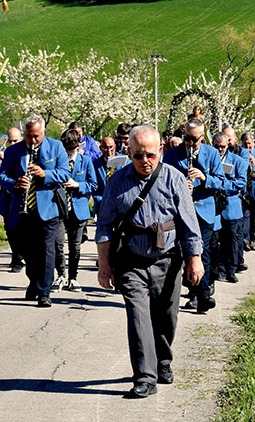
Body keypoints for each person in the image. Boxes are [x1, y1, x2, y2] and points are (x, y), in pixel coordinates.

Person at [96, 126, 204, 398]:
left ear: (161, 152)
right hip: (131, 261)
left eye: (151, 155)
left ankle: (163, 360)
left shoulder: (174, 179)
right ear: (129, 152)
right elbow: (105, 227)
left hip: (168, 261)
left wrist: (195, 258)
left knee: (167, 317)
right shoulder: (117, 182)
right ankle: (144, 377)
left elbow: (189, 224)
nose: (145, 161)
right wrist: (104, 265)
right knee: (138, 317)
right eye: (138, 155)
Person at [0, 114, 70, 307]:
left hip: (48, 210)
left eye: (36, 135)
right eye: (29, 135)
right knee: (29, 253)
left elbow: (65, 172)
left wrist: (45, 174)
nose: (33, 140)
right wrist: (14, 184)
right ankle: (34, 282)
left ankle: (44, 292)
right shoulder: (14, 151)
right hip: (23, 210)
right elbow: (1, 176)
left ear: (43, 132)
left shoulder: (56, 147)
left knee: (46, 251)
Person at [163, 119, 225, 314]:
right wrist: (181, 186)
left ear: (202, 135)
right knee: (184, 253)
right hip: (180, 212)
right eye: (187, 139)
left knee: (201, 252)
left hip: (204, 211)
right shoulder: (173, 154)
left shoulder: (212, 153)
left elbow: (221, 182)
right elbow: (164, 179)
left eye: (194, 140)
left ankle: (202, 296)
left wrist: (203, 179)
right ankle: (194, 293)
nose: (190, 143)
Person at [52, 128, 97, 292]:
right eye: (66, 149)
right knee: (58, 244)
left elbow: (94, 185)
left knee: (75, 246)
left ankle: (73, 277)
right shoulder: (57, 160)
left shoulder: (86, 161)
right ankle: (61, 275)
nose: (68, 153)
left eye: (71, 149)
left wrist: (77, 185)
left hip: (78, 209)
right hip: (59, 209)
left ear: (78, 146)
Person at [0, 127, 24, 271]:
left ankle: (20, 257)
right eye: (10, 141)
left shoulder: (23, 153)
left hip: (22, 197)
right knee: (10, 229)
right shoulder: (2, 157)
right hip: (7, 198)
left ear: (21, 140)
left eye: (16, 140)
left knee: (23, 229)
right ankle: (16, 259)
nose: (12, 144)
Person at [212, 131, 247, 283]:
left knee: (232, 240)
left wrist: (222, 185)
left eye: (222, 147)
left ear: (228, 146)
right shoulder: (210, 160)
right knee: (216, 240)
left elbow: (241, 182)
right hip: (214, 206)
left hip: (231, 206)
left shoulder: (237, 161)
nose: (220, 150)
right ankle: (219, 268)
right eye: (217, 147)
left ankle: (231, 269)